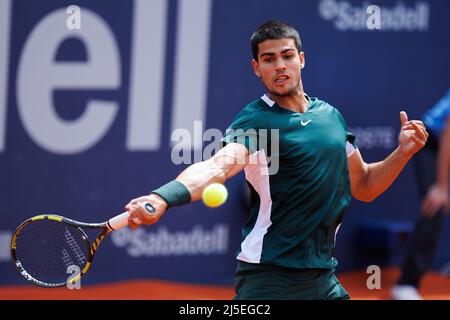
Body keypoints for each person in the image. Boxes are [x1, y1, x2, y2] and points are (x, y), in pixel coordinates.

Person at [125, 20, 428, 300]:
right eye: (269, 59)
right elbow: (217, 166)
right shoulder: (256, 121)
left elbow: (364, 184)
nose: (280, 65)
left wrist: (402, 153)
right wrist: (163, 197)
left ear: (302, 59)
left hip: (322, 277)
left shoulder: (330, 117)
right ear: (257, 68)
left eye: (287, 56)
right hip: (270, 280)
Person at [392, 88, 450, 300]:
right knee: (435, 206)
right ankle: (406, 283)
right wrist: (442, 187)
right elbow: (448, 134)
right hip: (430, 142)